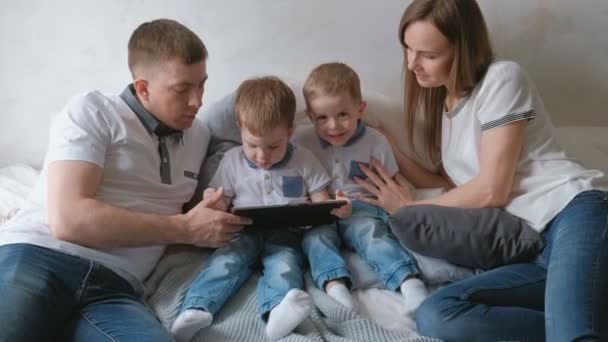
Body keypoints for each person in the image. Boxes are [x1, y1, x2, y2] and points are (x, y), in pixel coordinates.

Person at [354, 1, 608, 341]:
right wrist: (386, 145)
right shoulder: (445, 106)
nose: (413, 64)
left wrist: (409, 209)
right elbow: (452, 184)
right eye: (408, 49)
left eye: (428, 55)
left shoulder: (503, 78)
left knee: (571, 332)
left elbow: (491, 189)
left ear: (463, 49)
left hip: (573, 214)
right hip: (534, 247)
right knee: (437, 313)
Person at [0, 19, 250, 342]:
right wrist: (185, 227)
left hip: (116, 288)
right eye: (182, 89)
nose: (197, 101)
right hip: (41, 256)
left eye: (202, 85)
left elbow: (183, 222)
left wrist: (206, 219)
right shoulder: (93, 110)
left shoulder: (200, 135)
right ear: (143, 88)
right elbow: (70, 220)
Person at [170, 76, 351, 341]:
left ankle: (277, 312)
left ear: (289, 132)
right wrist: (213, 201)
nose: (262, 156)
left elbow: (320, 201)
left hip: (287, 233)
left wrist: (335, 208)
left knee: (284, 265)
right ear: (240, 128)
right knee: (225, 262)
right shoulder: (231, 160)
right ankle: (196, 308)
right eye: (252, 145)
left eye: (273, 146)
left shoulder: (302, 158)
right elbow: (220, 201)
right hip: (242, 231)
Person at [293, 62, 429, 314]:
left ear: (360, 109)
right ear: (310, 116)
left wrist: (405, 206)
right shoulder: (301, 140)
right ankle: (337, 289)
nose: (333, 126)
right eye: (322, 118)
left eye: (343, 114)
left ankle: (409, 283)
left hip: (362, 207)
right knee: (315, 240)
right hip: (321, 210)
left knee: (370, 234)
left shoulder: (375, 140)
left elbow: (393, 181)